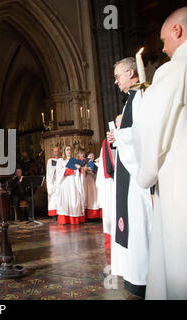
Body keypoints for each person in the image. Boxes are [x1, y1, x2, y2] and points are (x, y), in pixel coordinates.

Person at [133, 7, 187, 300]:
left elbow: (152, 127)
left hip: (181, 179)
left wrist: (145, 175)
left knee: (180, 261)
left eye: (164, 40)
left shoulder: (174, 69)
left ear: (178, 32)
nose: (163, 48)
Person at [107, 57, 153, 299]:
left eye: (118, 76)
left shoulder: (142, 97)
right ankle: (136, 278)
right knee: (134, 226)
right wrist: (119, 137)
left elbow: (144, 137)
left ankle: (143, 280)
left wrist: (120, 137)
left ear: (132, 73)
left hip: (139, 178)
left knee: (141, 225)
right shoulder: (131, 101)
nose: (115, 81)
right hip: (130, 174)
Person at [54, 146, 85, 225]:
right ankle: (65, 220)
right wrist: (73, 168)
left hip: (74, 182)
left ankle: (74, 219)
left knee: (74, 200)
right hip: (65, 183)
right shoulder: (61, 161)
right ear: (64, 151)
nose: (69, 151)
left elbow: (79, 173)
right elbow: (60, 173)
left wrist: (79, 168)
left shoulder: (75, 160)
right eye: (67, 150)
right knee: (66, 200)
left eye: (70, 150)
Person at [84, 152, 100, 220]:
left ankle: (94, 215)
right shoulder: (84, 163)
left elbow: (95, 172)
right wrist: (87, 169)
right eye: (90, 156)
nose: (91, 157)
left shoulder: (96, 163)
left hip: (94, 181)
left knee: (94, 197)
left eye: (93, 156)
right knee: (88, 197)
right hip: (87, 181)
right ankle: (88, 216)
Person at [46, 147, 60, 219]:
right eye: (55, 151)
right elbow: (49, 172)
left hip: (60, 182)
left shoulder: (61, 160)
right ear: (53, 152)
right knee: (54, 199)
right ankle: (54, 215)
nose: (56, 153)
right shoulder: (50, 160)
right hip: (53, 182)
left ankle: (60, 213)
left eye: (57, 151)